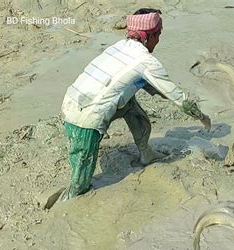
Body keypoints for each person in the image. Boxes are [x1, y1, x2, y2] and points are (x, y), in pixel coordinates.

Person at [59, 8, 211, 201]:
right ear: (149, 36)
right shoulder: (146, 61)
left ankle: (146, 153)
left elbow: (152, 87)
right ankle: (64, 207)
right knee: (79, 185)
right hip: (85, 119)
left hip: (70, 103)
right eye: (159, 35)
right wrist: (201, 117)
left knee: (130, 105)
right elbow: (176, 96)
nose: (159, 40)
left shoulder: (118, 46)